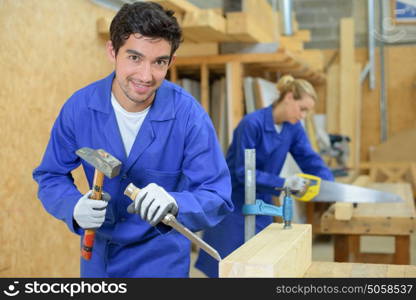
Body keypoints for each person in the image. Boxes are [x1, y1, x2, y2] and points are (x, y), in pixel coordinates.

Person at [32, 1, 233, 278]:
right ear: (112, 51)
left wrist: (176, 203)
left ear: (171, 62)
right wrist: (73, 207)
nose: (146, 76)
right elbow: (50, 176)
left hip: (162, 260)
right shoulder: (79, 109)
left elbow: (217, 195)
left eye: (159, 62)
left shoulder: (189, 116)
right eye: (135, 58)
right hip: (100, 259)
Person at [195, 75, 334, 278]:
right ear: (288, 97)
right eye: (302, 108)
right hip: (233, 203)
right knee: (226, 267)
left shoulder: (292, 128)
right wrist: (284, 183)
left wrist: (330, 186)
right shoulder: (252, 124)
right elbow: (243, 172)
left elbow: (309, 158)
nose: (304, 115)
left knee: (260, 264)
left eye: (307, 111)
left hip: (262, 201)